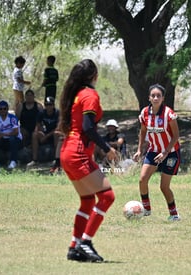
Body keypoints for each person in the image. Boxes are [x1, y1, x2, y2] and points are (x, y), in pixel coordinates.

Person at [58, 59, 116, 262]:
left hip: (67, 151)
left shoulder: (76, 94)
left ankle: (74, 247)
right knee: (107, 196)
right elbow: (88, 127)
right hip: (78, 152)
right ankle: (85, 242)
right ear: (94, 76)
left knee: (88, 200)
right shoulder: (90, 95)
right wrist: (107, 148)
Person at [132, 84, 181, 222]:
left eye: (158, 95)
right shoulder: (145, 113)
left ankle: (174, 214)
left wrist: (165, 152)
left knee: (164, 187)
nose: (155, 98)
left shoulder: (168, 114)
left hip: (170, 153)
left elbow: (176, 135)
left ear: (163, 98)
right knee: (142, 180)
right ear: (149, 97)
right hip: (153, 151)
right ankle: (146, 209)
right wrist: (139, 150)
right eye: (153, 95)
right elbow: (142, 131)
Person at [0, 100, 22, 169]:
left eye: (4, 108)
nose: (3, 110)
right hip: (2, 140)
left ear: (7, 109)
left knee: (12, 139)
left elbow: (16, 132)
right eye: (1, 109)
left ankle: (13, 161)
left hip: (15, 140)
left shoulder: (12, 118)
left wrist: (3, 134)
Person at [26, 96, 59, 168]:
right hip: (44, 134)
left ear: (53, 105)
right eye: (46, 104)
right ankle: (34, 160)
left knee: (57, 134)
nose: (48, 106)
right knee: (34, 134)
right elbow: (37, 126)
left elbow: (58, 128)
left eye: (50, 104)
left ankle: (56, 160)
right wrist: (40, 133)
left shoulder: (57, 113)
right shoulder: (41, 113)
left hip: (53, 135)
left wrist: (47, 136)